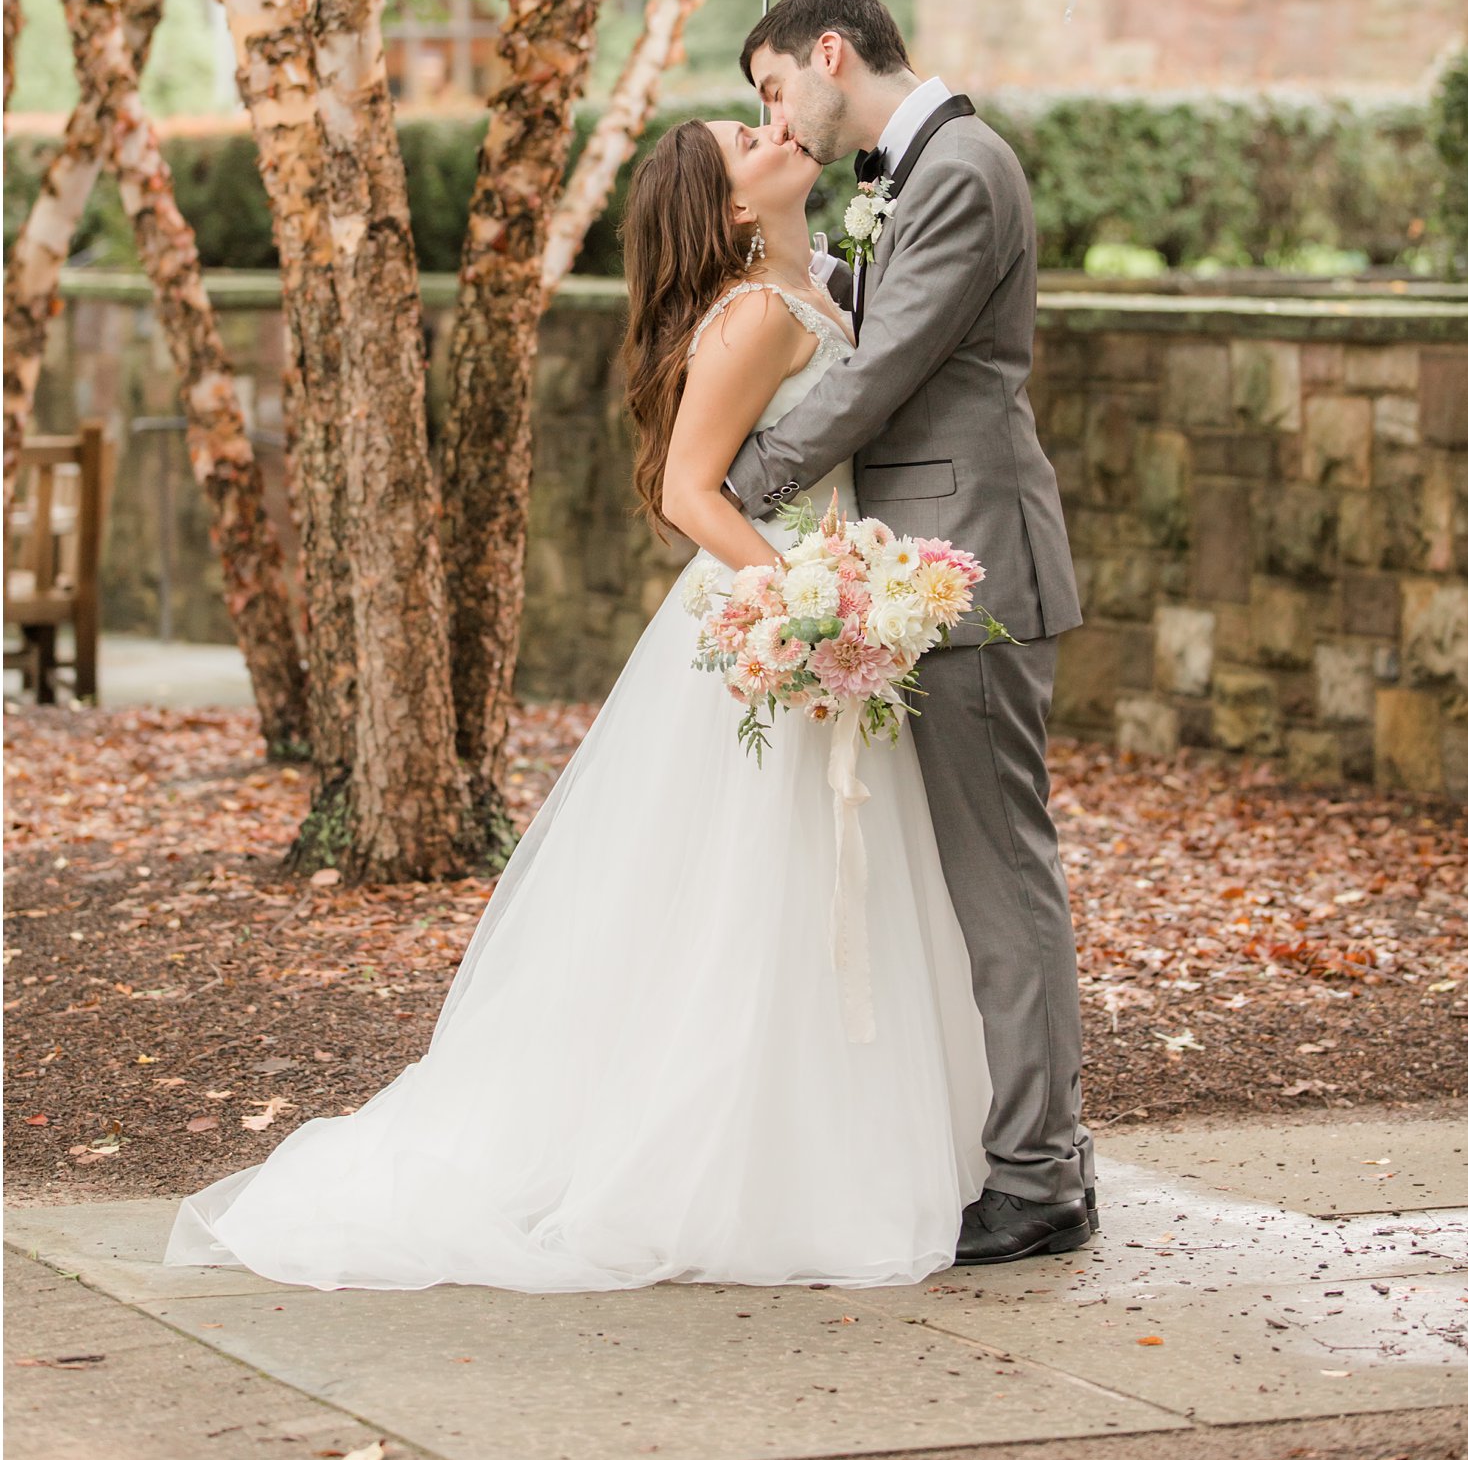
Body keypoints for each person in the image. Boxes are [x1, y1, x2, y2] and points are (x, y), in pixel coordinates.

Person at [162, 112, 1004, 1293]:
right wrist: (804, 599)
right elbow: (686, 493)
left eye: (767, 119)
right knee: (754, 891)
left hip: (831, 618)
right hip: (780, 626)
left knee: (835, 885)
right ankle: (729, 1165)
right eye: (747, 139)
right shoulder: (757, 314)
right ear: (722, 210)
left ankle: (864, 1145)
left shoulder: (815, 279)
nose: (777, 133)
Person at [730, 0, 1095, 1266]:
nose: (777, 118)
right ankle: (1035, 1153)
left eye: (775, 89)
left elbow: (889, 369)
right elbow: (882, 320)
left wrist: (749, 475)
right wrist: (803, 259)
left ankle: (1038, 1177)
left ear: (829, 52)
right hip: (926, 566)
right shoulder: (914, 172)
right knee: (970, 877)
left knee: (999, 878)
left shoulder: (961, 166)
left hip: (972, 572)